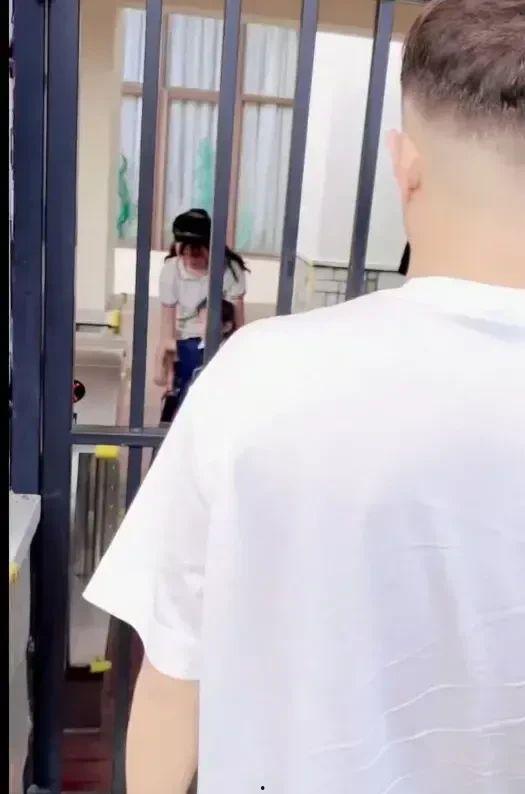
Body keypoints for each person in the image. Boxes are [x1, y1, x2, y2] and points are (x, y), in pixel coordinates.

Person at [85, 2, 525, 793]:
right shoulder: (234, 348)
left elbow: (173, 677)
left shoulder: (263, 380)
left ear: (403, 164)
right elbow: (171, 320)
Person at [155, 208, 248, 420]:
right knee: (180, 399)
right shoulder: (171, 270)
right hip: (185, 340)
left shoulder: (230, 270)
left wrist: (236, 358)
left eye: (196, 253)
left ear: (210, 248)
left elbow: (238, 325)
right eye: (184, 252)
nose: (190, 259)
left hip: (218, 338)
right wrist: (165, 371)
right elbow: (167, 330)